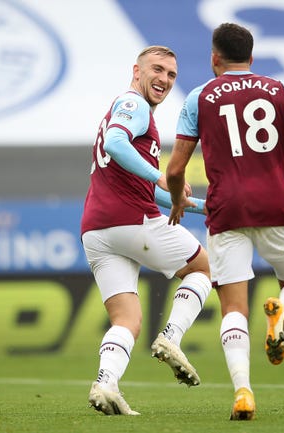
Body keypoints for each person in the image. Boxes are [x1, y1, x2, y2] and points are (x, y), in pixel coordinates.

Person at [166, 23, 284, 421]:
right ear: (251, 58)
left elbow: (175, 168)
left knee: (233, 309)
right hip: (279, 204)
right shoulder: (282, 89)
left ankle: (243, 393)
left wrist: (176, 198)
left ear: (214, 58)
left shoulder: (199, 96)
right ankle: (282, 312)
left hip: (227, 211)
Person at [80, 45, 211, 416]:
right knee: (202, 268)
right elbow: (116, 143)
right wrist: (164, 174)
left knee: (126, 320)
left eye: (171, 74)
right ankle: (171, 338)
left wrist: (204, 206)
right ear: (135, 71)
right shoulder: (133, 105)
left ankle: (106, 384)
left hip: (97, 230)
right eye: (157, 69)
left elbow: (157, 192)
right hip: (129, 219)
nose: (164, 79)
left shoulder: (130, 110)